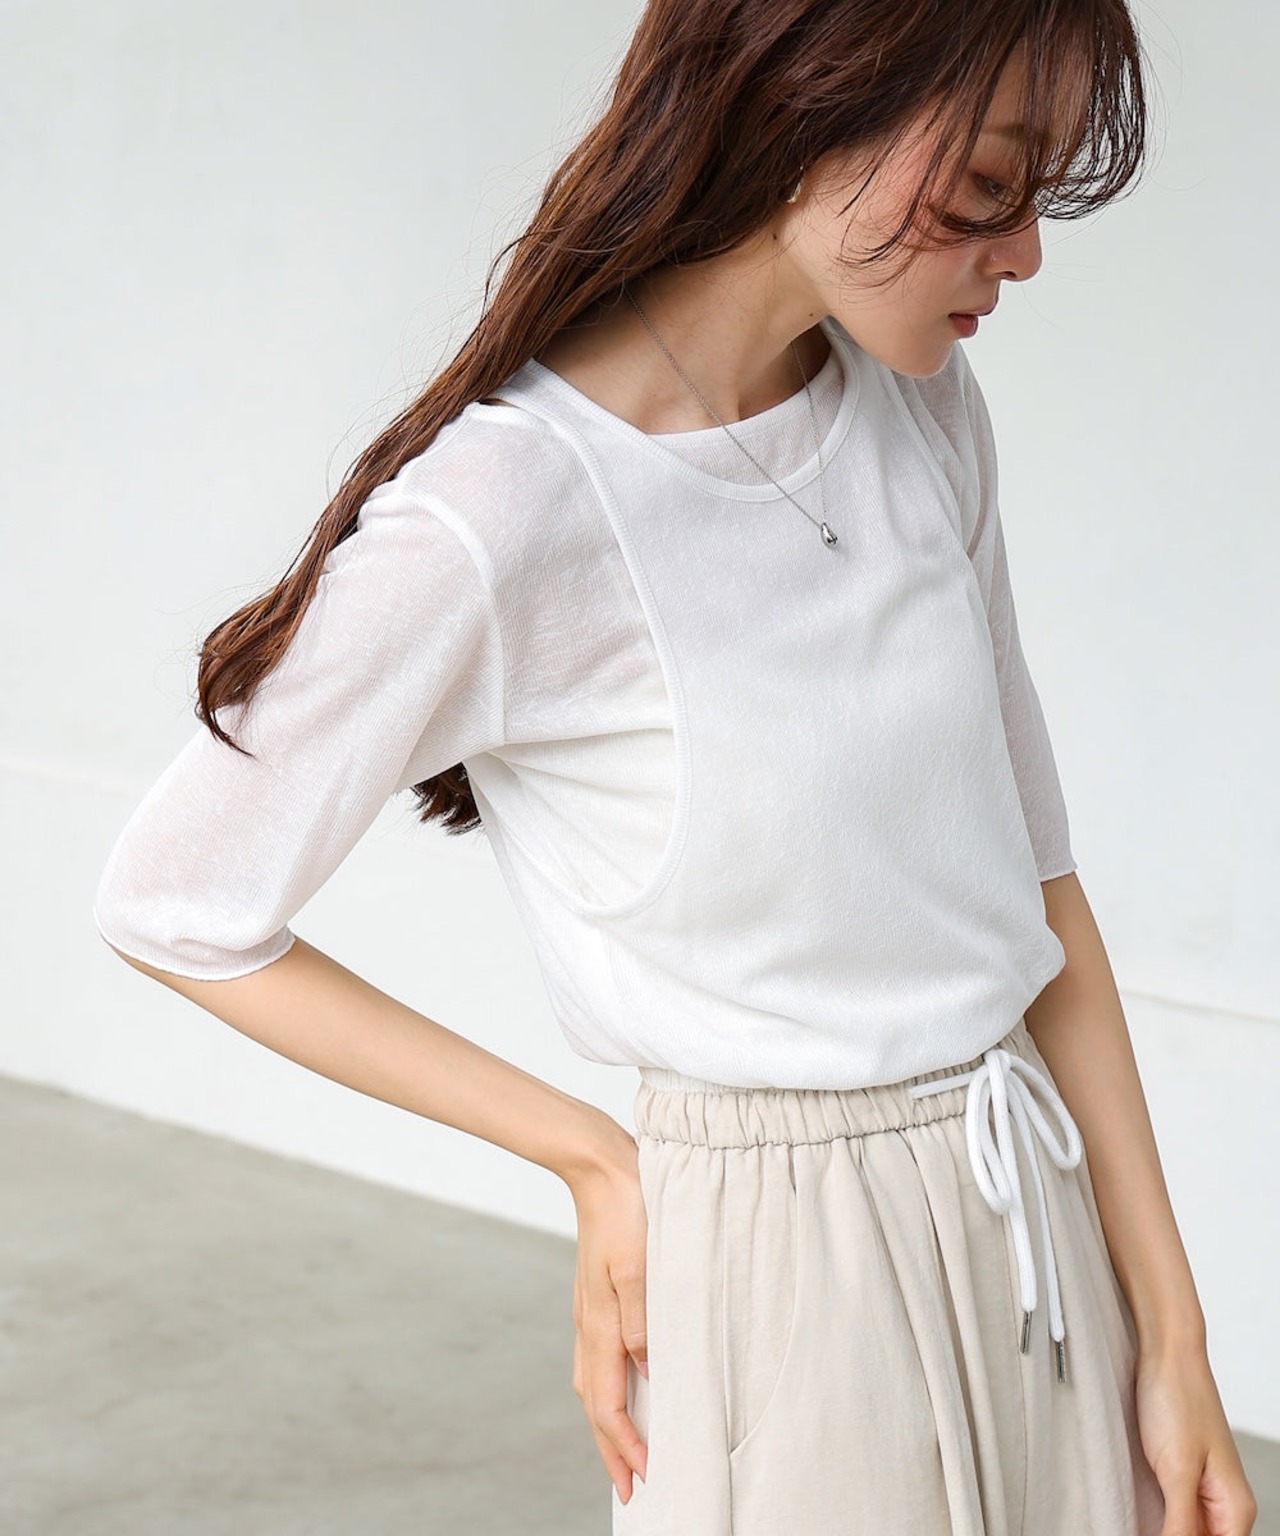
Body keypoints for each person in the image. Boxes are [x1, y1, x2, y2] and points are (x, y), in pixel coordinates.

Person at [93, 1, 1258, 1532]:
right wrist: (587, 1156)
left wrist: (1174, 1343)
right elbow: (175, 905)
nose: (1027, 252)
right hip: (778, 1281)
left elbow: (1042, 899)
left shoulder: (921, 410)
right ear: (805, 105)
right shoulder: (507, 510)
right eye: (989, 183)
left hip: (1035, 1216)